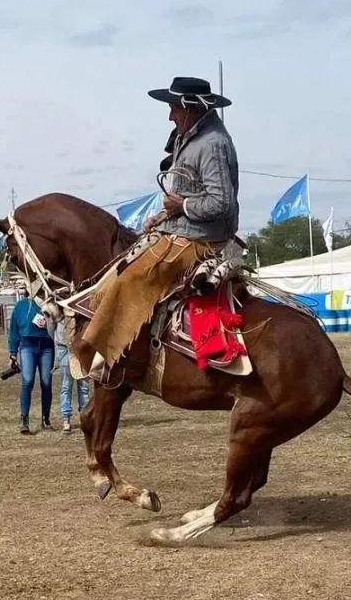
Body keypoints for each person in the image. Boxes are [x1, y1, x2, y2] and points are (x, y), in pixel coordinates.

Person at [79, 76, 242, 379]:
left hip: (203, 238)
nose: (170, 115)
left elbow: (221, 203)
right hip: (182, 228)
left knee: (134, 277)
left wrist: (181, 207)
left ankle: (103, 355)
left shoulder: (212, 144)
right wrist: (164, 217)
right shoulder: (190, 137)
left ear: (192, 108)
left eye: (174, 108)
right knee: (117, 267)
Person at [7, 286, 56, 434]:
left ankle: (45, 419)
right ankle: (24, 420)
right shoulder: (21, 306)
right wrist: (13, 353)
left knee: (46, 382)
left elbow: (59, 324)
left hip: (47, 346)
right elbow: (14, 331)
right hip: (28, 345)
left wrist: (50, 323)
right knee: (27, 381)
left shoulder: (50, 305)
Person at [54, 320, 91, 434]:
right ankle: (66, 419)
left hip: (82, 347)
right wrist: (60, 341)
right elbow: (51, 328)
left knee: (83, 386)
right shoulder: (59, 309)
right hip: (64, 348)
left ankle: (84, 418)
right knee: (67, 385)